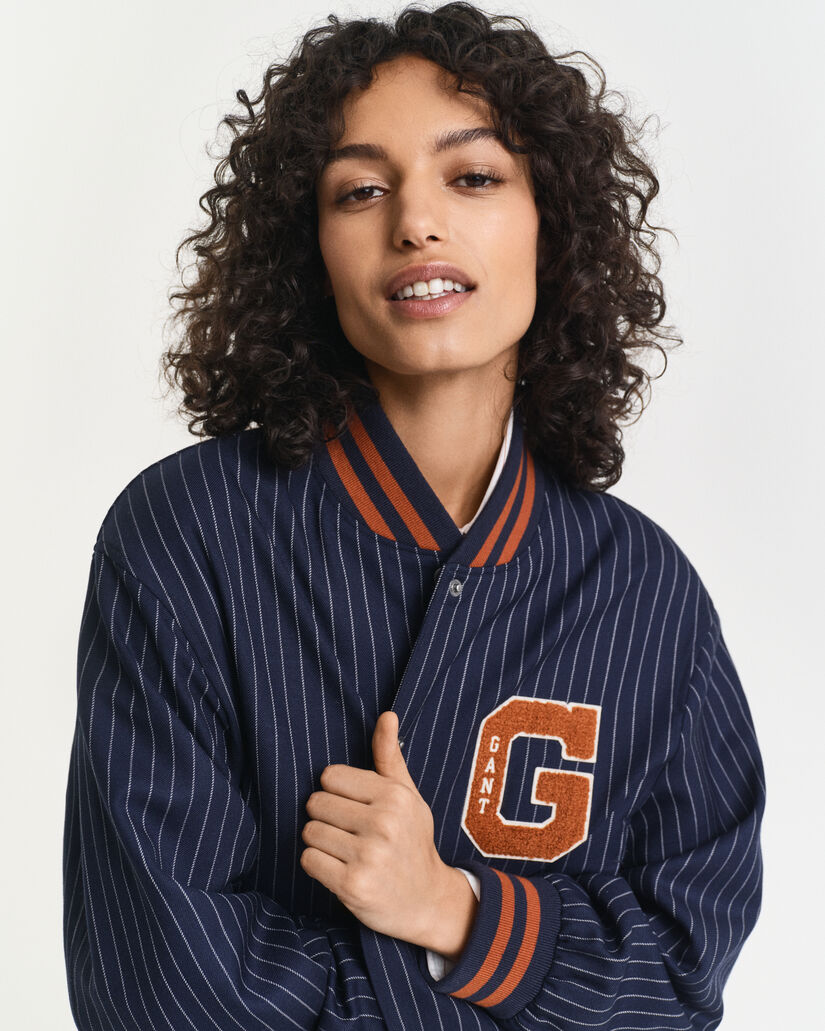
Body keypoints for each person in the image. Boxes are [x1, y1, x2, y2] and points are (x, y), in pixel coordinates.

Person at [62, 4, 765, 1030]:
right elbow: (162, 991)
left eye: (472, 176)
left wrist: (458, 912)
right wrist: (513, 979)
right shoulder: (185, 534)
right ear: (310, 249)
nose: (415, 223)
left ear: (553, 222)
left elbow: (678, 979)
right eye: (360, 190)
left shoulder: (647, 592)